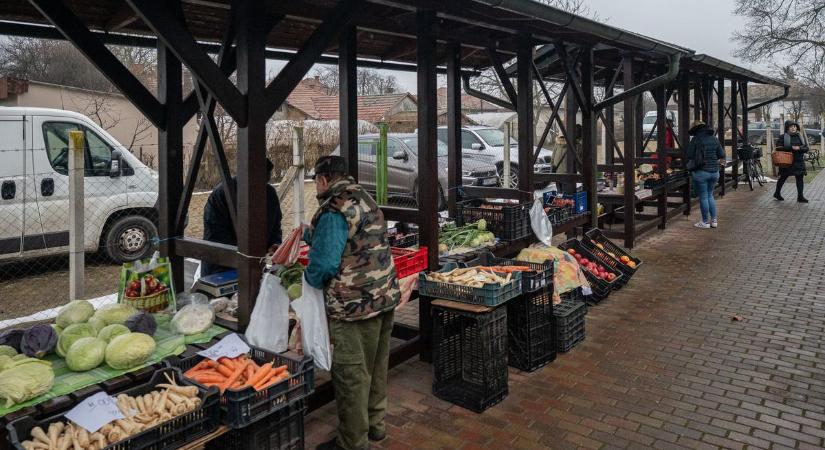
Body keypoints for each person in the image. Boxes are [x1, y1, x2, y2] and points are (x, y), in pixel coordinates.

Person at [306, 156, 400, 450]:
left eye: (315, 181)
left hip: (352, 308)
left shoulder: (334, 209)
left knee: (352, 377)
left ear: (324, 179)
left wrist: (303, 280)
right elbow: (355, 236)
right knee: (375, 369)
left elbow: (323, 266)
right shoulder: (363, 196)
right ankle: (375, 427)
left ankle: (352, 442)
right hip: (383, 298)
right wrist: (310, 234)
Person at [201, 159, 282, 275]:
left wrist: (275, 244)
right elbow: (214, 236)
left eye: (265, 181)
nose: (260, 187)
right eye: (257, 182)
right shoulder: (223, 194)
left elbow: (275, 227)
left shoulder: (270, 194)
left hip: (255, 267)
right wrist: (247, 253)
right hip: (220, 269)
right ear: (246, 176)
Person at [686, 121, 725, 229]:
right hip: (715, 172)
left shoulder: (696, 139)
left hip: (701, 172)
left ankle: (704, 222)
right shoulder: (714, 138)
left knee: (703, 197)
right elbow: (721, 155)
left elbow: (689, 155)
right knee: (710, 195)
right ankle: (714, 221)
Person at [773, 120, 809, 203]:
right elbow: (778, 147)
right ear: (787, 128)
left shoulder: (800, 136)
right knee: (783, 177)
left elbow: (806, 148)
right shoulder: (782, 137)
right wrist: (792, 148)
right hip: (787, 161)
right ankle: (777, 193)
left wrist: (799, 148)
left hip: (798, 160)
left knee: (800, 178)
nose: (793, 128)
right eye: (791, 126)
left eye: (795, 126)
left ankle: (800, 197)